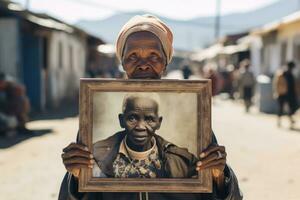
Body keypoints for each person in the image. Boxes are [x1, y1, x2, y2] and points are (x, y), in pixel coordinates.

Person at [59, 14, 242, 200]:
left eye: (154, 56)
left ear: (165, 62)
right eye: (132, 56)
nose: (144, 65)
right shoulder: (96, 148)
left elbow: (224, 195)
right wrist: (74, 178)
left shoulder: (187, 152)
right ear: (122, 63)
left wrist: (220, 177)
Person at [92, 93, 198, 179]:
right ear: (122, 120)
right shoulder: (95, 156)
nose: (140, 127)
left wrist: (214, 177)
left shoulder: (182, 161)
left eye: (149, 119)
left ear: (159, 122)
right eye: (132, 118)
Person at [273, 61, 298, 129]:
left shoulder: (291, 74)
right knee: (281, 108)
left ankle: (290, 121)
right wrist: (277, 92)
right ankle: (279, 121)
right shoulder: (282, 73)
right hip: (282, 93)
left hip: (290, 94)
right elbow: (277, 84)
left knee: (291, 107)